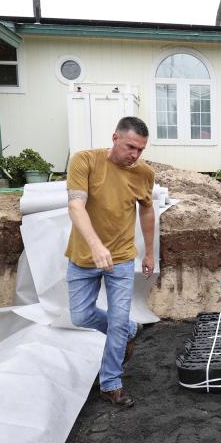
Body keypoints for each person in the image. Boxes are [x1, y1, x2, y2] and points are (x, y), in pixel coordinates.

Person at [65, 116, 156, 408]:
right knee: (80, 316)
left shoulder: (143, 173)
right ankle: (130, 330)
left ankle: (111, 383)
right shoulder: (85, 161)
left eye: (141, 149)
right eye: (131, 147)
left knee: (116, 321)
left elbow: (147, 212)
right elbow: (75, 205)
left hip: (121, 259)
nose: (135, 155)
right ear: (115, 137)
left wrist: (150, 252)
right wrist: (95, 245)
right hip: (83, 257)